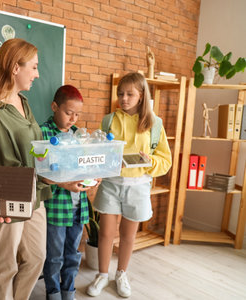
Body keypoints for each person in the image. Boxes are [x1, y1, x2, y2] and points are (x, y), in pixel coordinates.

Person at [0, 38, 52, 300]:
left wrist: (58, 166)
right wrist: (56, 179)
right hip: (9, 199)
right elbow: (9, 166)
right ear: (15, 68)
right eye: (34, 66)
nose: (38, 73)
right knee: (6, 268)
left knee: (37, 257)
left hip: (36, 196)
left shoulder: (24, 102)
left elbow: (35, 149)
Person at [86, 72, 172, 298]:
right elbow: (98, 151)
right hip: (112, 184)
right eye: (120, 94)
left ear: (142, 95)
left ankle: (121, 274)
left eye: (130, 94)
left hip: (138, 185)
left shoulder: (155, 125)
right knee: (105, 234)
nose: (124, 98)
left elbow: (165, 161)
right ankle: (102, 275)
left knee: (128, 236)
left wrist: (150, 161)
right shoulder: (109, 120)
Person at [40, 85, 99, 300]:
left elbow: (84, 164)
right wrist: (64, 183)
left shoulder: (77, 135)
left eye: (77, 114)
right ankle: (53, 293)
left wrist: (96, 173)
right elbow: (40, 171)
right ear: (55, 106)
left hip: (78, 205)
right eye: (68, 112)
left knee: (73, 254)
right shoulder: (43, 132)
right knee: (55, 256)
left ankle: (69, 292)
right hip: (56, 207)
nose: (73, 118)